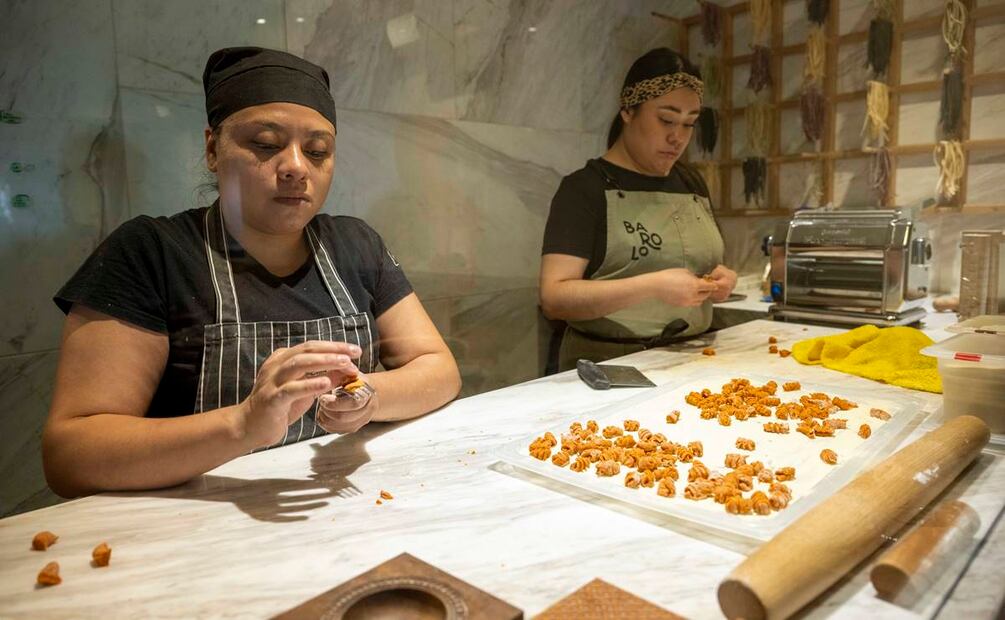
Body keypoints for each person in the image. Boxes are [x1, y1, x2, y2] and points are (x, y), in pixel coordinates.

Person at [43, 47, 461, 497]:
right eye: (265, 143)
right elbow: (72, 455)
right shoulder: (151, 252)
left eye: (317, 151)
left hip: (346, 504)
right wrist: (242, 424)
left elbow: (439, 369)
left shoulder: (356, 244)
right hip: (200, 521)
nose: (296, 167)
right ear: (212, 149)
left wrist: (368, 395)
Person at [540, 48, 737, 371]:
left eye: (689, 124)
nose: (677, 137)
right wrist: (653, 286)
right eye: (666, 120)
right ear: (628, 111)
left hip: (693, 361)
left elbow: (697, 261)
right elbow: (554, 298)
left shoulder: (691, 183)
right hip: (609, 367)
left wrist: (722, 278)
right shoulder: (584, 189)